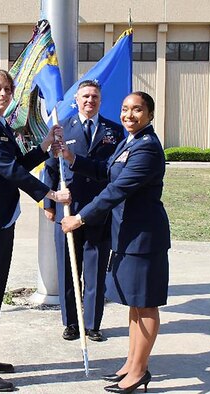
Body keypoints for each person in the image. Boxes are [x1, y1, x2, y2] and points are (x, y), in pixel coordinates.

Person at [0, 69, 70, 392]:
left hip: (2, 219)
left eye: (7, 90)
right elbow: (8, 170)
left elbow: (19, 163)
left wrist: (45, 148)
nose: (3, 94)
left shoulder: (0, 125)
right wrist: (49, 194)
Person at [60, 91, 170, 393]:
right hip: (128, 235)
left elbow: (116, 190)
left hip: (145, 238)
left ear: (149, 114)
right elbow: (107, 171)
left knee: (146, 306)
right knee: (135, 304)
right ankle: (132, 364)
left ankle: (139, 371)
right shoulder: (130, 141)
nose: (128, 115)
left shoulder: (147, 148)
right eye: (124, 109)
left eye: (137, 110)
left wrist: (79, 218)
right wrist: (72, 159)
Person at [42, 80, 124, 342]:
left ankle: (92, 323)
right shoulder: (61, 128)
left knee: (96, 268)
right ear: (76, 100)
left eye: (95, 97)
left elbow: (113, 170)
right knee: (68, 269)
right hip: (69, 208)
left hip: (99, 209)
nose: (90, 100)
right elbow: (51, 168)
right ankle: (71, 323)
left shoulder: (114, 130)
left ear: (100, 100)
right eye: (85, 96)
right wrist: (49, 204)